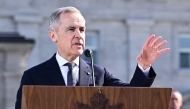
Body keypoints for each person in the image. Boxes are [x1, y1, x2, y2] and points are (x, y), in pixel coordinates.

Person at [15, 6, 170, 109]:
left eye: (82, 29)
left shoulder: (99, 74)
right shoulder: (34, 76)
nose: (79, 35)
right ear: (53, 35)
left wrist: (144, 66)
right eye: (71, 29)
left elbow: (130, 95)